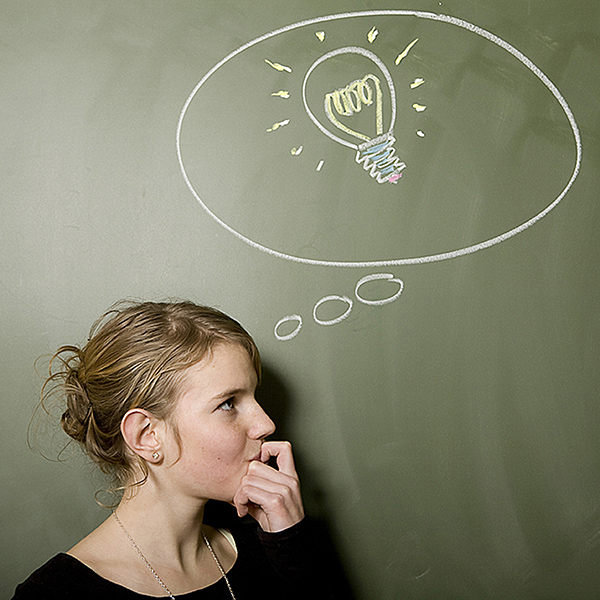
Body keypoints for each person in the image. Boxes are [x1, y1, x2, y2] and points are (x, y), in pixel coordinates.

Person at [13, 300, 314, 599]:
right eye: (228, 403)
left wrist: (291, 546)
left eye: (254, 395)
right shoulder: (54, 594)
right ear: (147, 435)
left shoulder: (272, 548)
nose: (266, 423)